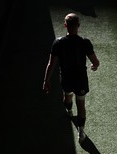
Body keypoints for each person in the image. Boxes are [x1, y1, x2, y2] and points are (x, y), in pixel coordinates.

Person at [43, 13, 100, 143]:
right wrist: (94, 66)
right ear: (78, 26)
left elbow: (51, 64)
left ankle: (69, 110)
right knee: (81, 104)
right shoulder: (85, 43)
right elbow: (95, 62)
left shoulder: (58, 43)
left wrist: (46, 80)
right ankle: (81, 131)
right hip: (81, 80)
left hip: (66, 79)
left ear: (65, 25)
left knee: (67, 97)